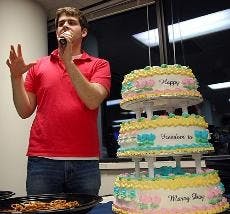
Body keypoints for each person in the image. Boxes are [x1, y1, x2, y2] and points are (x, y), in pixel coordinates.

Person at [6, 7, 111, 196]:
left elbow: (93, 100)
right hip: (42, 160)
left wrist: (68, 61)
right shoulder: (38, 65)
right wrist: (15, 78)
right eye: (61, 24)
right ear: (56, 32)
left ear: (84, 31)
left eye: (71, 22)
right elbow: (24, 111)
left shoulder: (99, 65)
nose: (65, 26)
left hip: (85, 162)